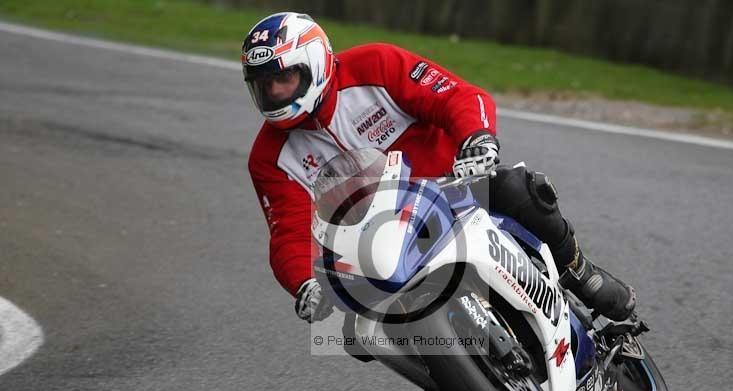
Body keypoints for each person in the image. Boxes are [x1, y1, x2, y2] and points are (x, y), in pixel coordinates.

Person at [243, 12, 635, 325]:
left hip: (453, 186)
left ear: (314, 63)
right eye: (264, 84)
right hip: (377, 241)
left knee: (521, 189)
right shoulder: (268, 158)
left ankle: (579, 271)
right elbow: (288, 233)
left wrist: (478, 138)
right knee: (353, 329)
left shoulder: (375, 64)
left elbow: (455, 96)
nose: (275, 92)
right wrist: (303, 284)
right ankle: (449, 369)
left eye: (284, 77)